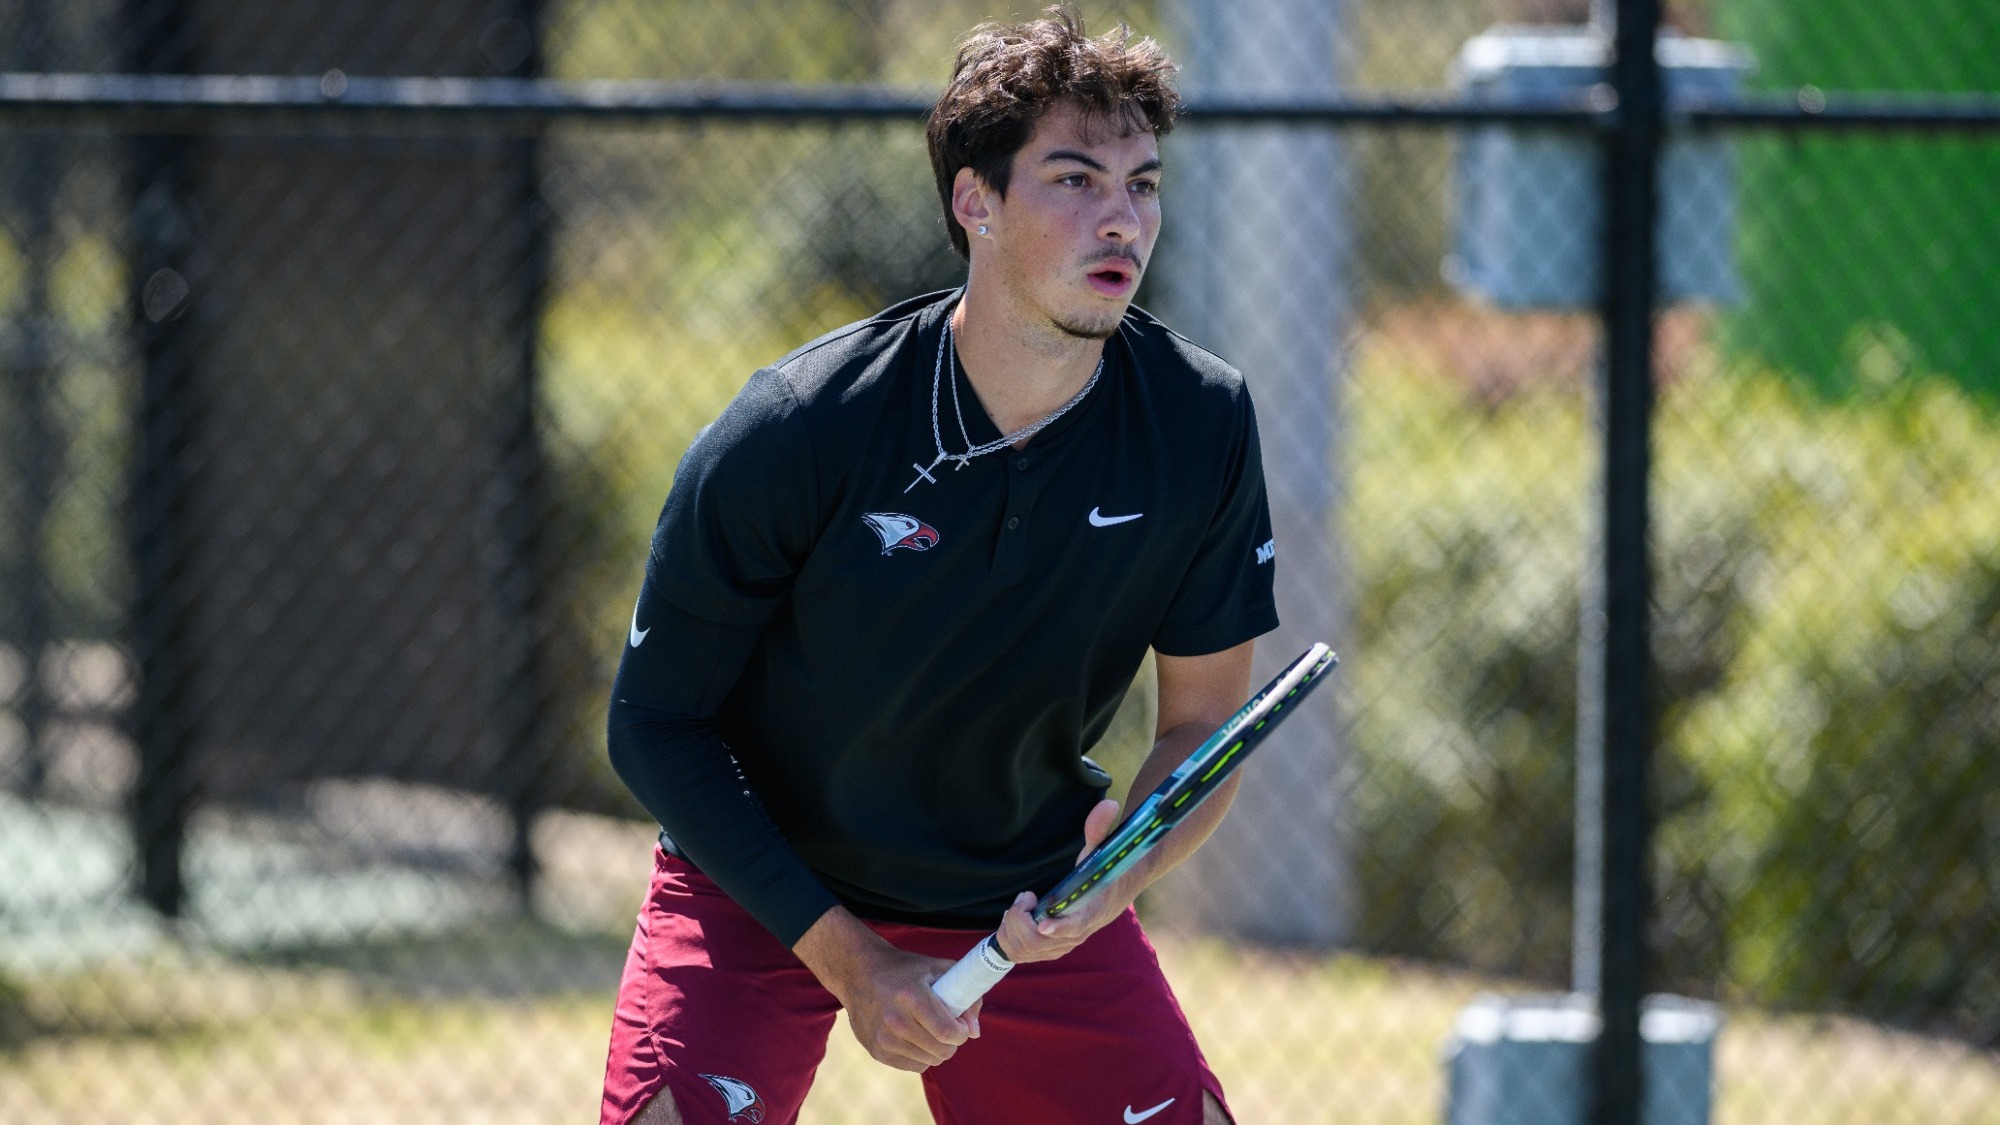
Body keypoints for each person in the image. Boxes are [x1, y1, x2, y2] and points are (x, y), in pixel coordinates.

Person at [599, 7, 1278, 1124]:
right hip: (766, 883)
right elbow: (654, 723)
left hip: (1019, 890)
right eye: (1073, 180)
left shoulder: (1200, 421)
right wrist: (856, 965)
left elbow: (1199, 725)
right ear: (976, 201)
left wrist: (1116, 881)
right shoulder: (799, 425)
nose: (1121, 220)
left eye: (1143, 185)